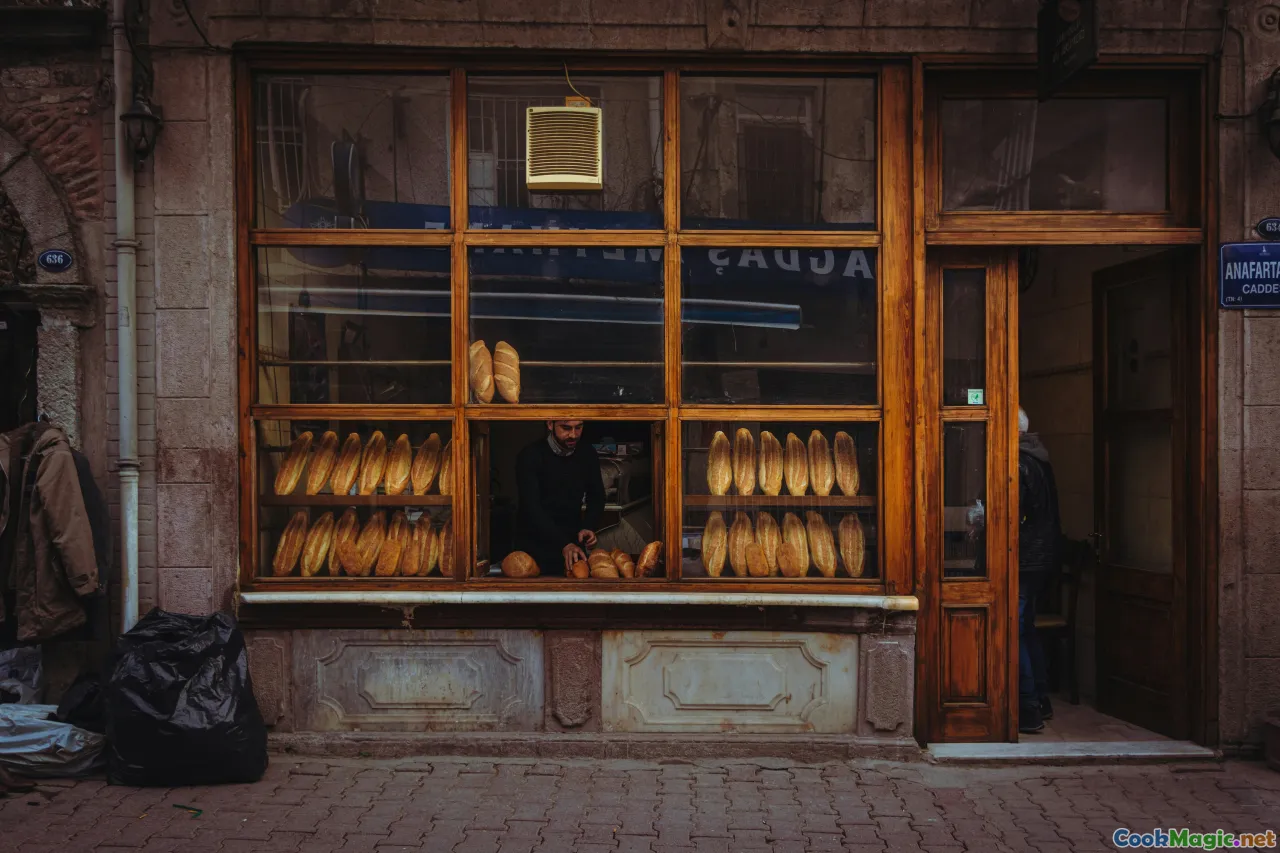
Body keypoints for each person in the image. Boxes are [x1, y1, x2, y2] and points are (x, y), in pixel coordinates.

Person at [1017, 407, 1063, 734]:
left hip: (1022, 558)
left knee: (1013, 629)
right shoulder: (1041, 459)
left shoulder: (1019, 464)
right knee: (1027, 628)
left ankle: (1027, 707)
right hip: (1041, 559)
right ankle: (1042, 698)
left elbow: (1012, 513)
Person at [514, 420, 606, 575]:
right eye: (566, 428)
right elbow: (531, 507)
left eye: (579, 427)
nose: (573, 435)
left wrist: (589, 526)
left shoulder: (587, 453)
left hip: (573, 544)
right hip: (534, 545)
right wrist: (563, 543)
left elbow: (597, 495)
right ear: (550, 424)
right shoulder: (531, 455)